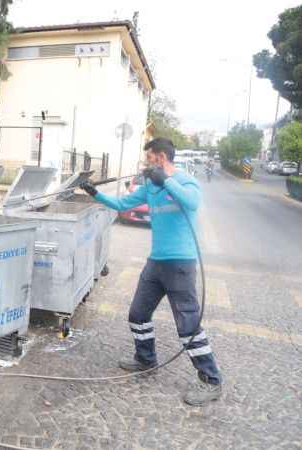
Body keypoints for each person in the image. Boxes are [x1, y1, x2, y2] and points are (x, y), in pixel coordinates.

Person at [79, 138, 222, 406]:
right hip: (155, 262)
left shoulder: (186, 181)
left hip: (181, 263)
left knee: (187, 326)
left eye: (149, 158)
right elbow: (122, 205)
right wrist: (94, 193)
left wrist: (165, 180)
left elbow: (191, 203)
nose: (146, 162)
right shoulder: (150, 188)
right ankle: (146, 359)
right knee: (138, 314)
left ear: (160, 157)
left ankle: (211, 380)